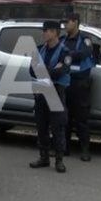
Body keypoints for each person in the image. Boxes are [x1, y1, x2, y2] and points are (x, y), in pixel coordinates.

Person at [29, 20, 71, 173]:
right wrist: (50, 70)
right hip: (41, 92)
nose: (43, 33)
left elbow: (62, 71)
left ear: (54, 32)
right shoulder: (39, 50)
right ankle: (44, 157)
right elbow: (32, 71)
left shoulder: (65, 52)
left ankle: (59, 160)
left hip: (56, 92)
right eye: (44, 30)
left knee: (57, 127)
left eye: (46, 30)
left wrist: (44, 70)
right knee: (41, 126)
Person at [61, 13, 94, 162]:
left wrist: (68, 55)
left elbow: (84, 54)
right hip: (65, 82)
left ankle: (85, 149)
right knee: (64, 117)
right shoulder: (63, 40)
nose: (65, 25)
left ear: (75, 22)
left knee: (82, 118)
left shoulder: (85, 39)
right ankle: (64, 148)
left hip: (80, 84)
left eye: (67, 22)